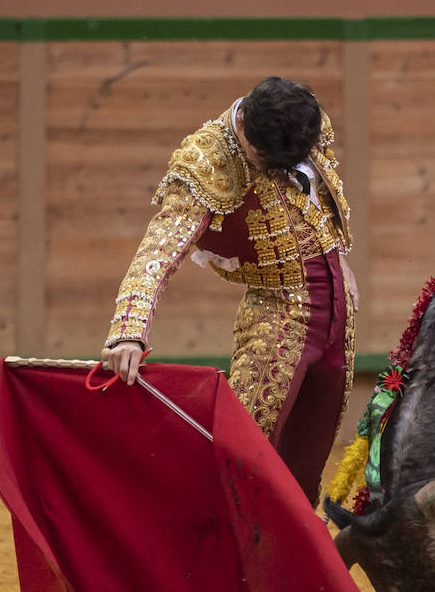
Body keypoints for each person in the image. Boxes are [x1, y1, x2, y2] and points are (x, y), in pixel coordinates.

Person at [102, 76, 358, 507]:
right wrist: (128, 329)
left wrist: (337, 257)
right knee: (239, 454)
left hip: (339, 314)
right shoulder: (206, 160)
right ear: (245, 133)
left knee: (306, 464)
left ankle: (286, 549)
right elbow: (160, 249)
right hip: (279, 315)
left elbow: (319, 197)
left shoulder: (303, 120)